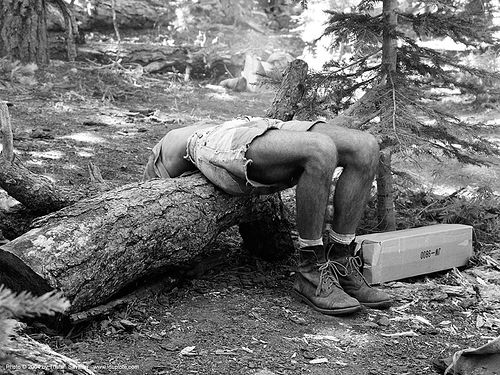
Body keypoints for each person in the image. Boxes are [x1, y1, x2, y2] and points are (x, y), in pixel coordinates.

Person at [143, 116, 392, 315]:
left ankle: (341, 259)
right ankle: (310, 271)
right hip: (213, 138)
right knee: (321, 149)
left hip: (252, 124)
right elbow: (150, 195)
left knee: (366, 146)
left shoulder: (169, 148)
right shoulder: (163, 160)